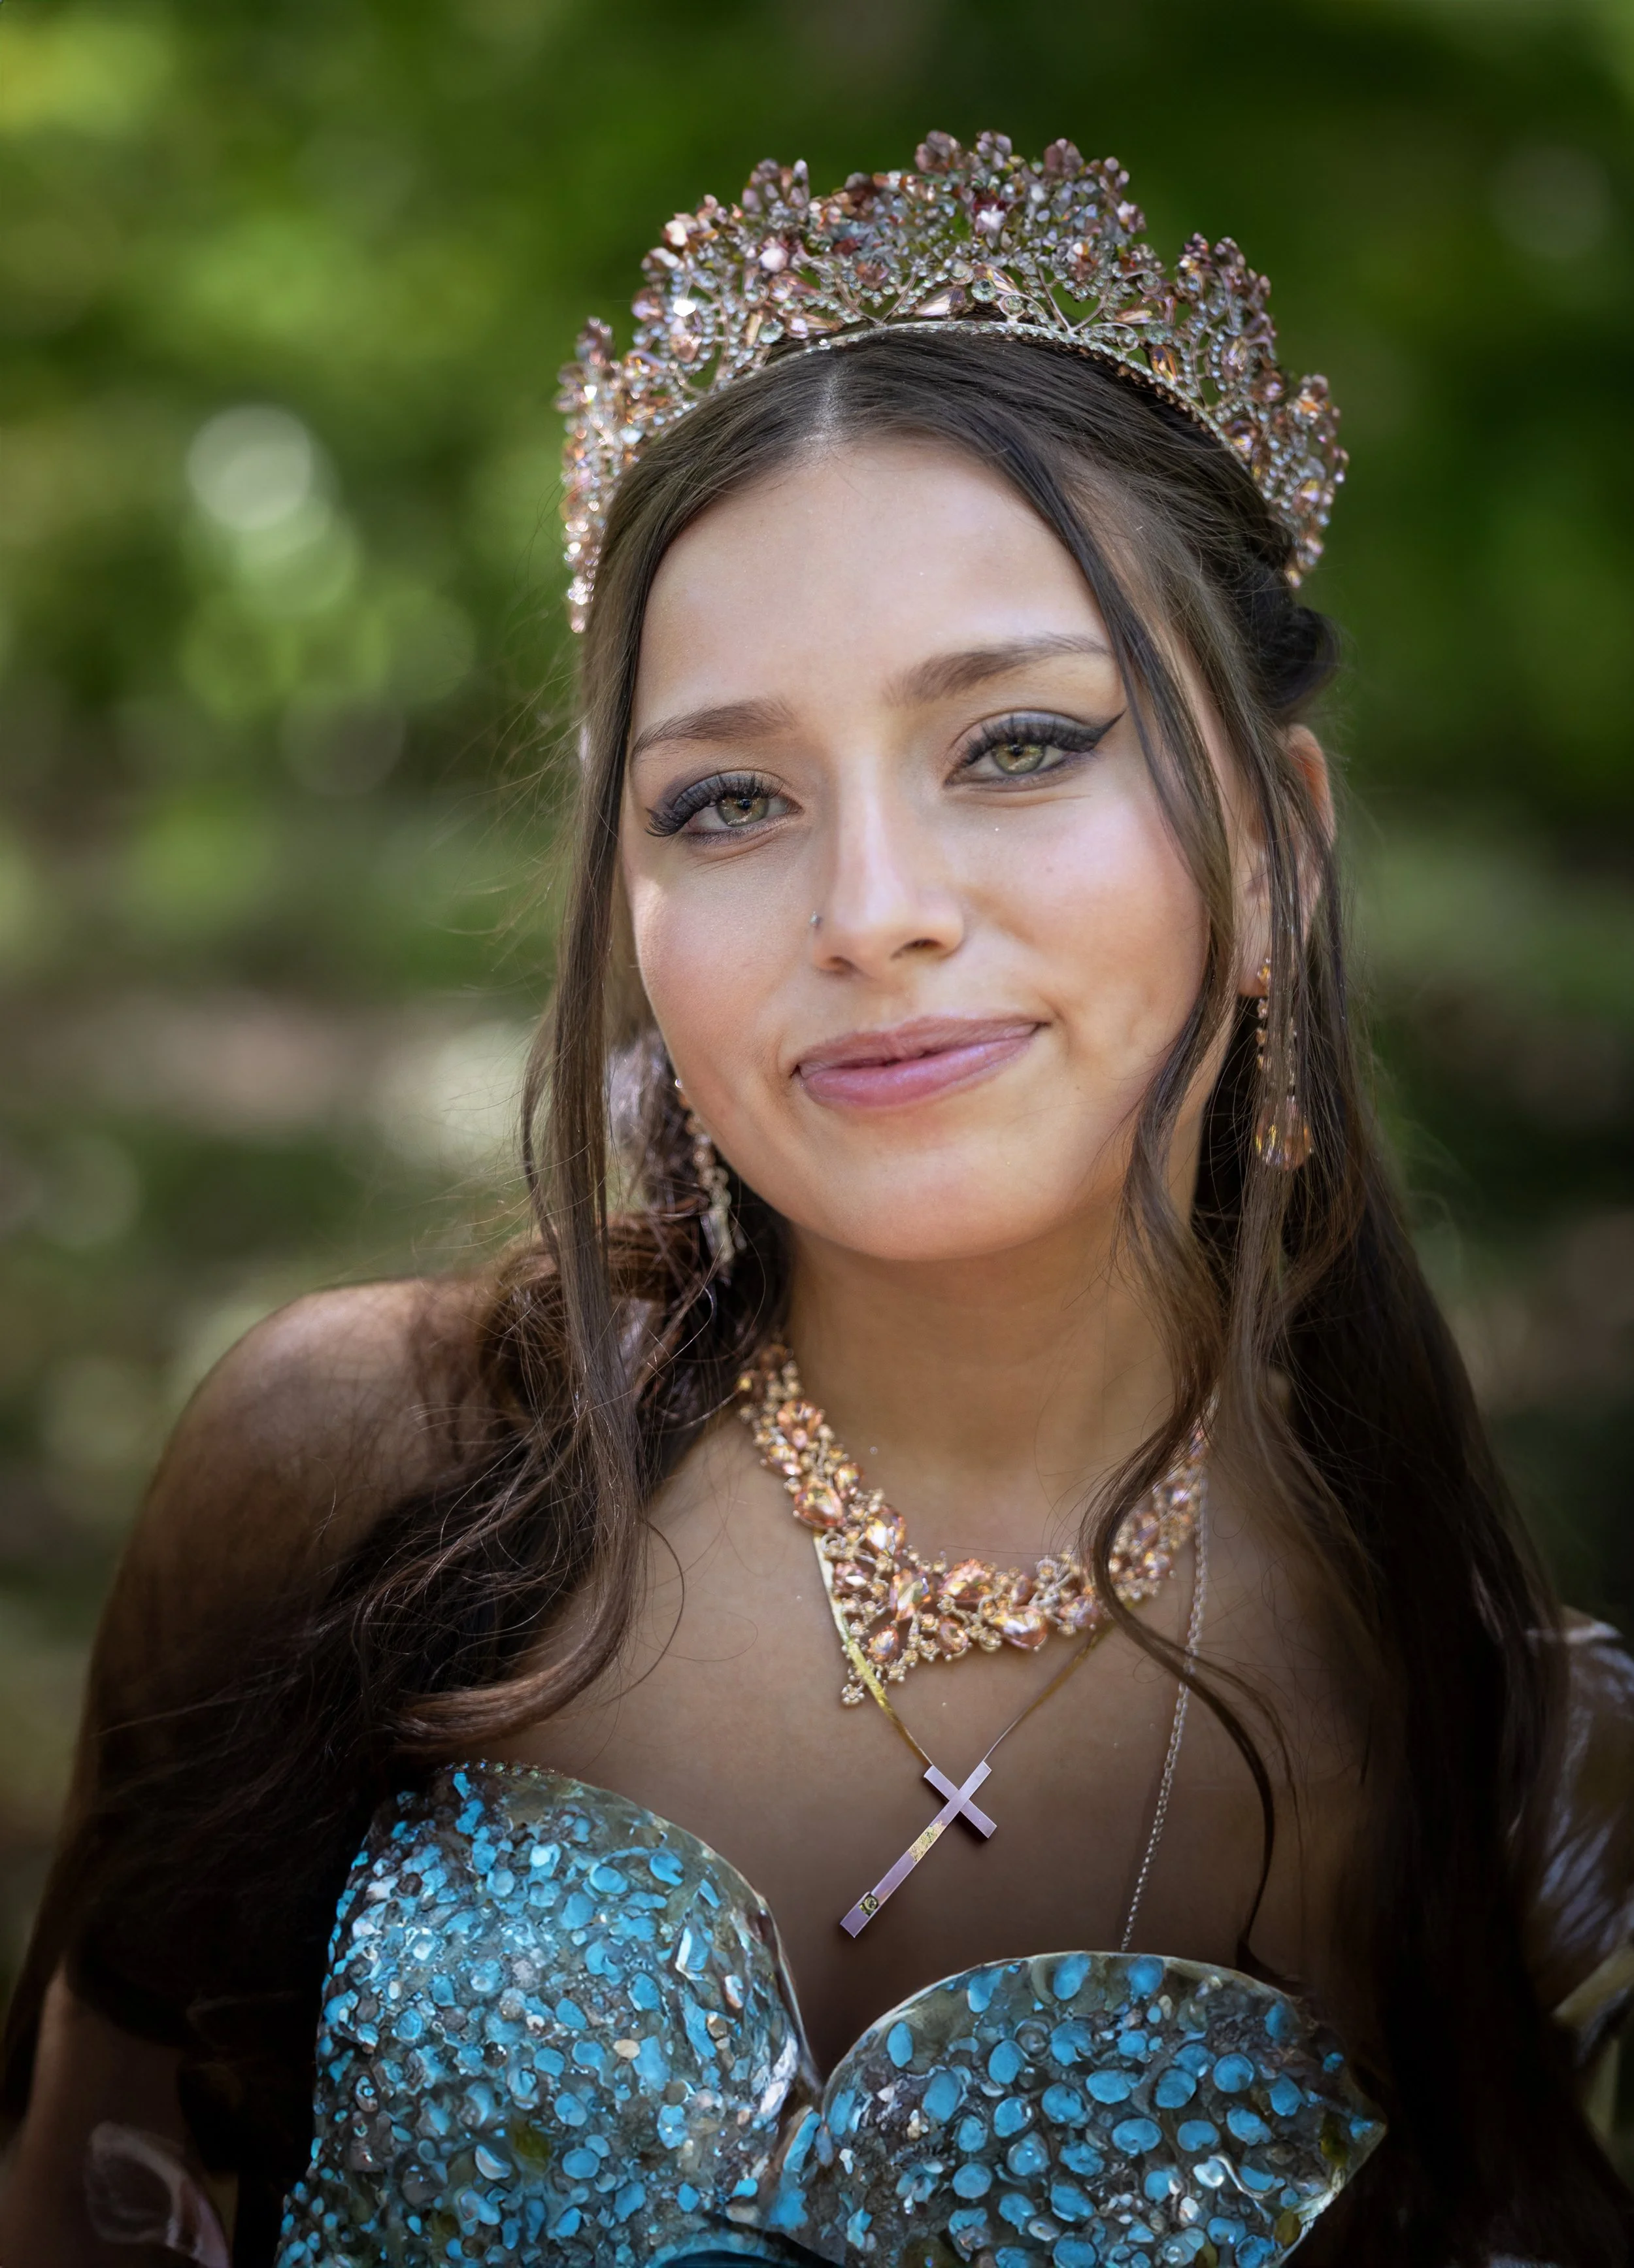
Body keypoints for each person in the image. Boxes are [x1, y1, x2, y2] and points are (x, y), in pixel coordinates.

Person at [2, 131, 1631, 2268]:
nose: (869, 912)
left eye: (1021, 743)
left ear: (1272, 856)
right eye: (732, 798)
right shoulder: (354, 1477)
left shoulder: (1504, 1758)